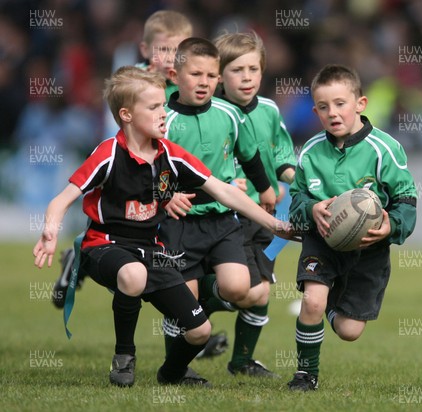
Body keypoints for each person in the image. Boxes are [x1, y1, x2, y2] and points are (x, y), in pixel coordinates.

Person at [33, 66, 291, 387]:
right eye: (154, 107)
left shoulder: (170, 154)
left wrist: (273, 223)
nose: (163, 112)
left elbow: (222, 190)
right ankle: (124, 355)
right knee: (133, 275)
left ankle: (170, 375)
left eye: (163, 105)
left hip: (153, 253)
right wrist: (50, 231)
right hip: (105, 245)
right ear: (126, 115)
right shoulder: (108, 154)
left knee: (200, 331)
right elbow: (61, 199)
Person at [286, 64, 417, 391]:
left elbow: (406, 199)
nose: (333, 113)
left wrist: (391, 227)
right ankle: (306, 374)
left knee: (349, 330)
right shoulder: (311, 152)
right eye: (324, 107)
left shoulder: (384, 149)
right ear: (315, 111)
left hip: (368, 251)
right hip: (322, 242)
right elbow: (297, 199)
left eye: (341, 103)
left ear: (360, 103)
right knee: (311, 302)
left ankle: (329, 304)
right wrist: (311, 208)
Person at [50, 10, 193, 307]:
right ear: (145, 49)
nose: (170, 58)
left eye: (178, 51)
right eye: (164, 49)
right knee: (141, 265)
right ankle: (86, 255)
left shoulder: (191, 86)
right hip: (130, 166)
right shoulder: (133, 83)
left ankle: (190, 325)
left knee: (173, 260)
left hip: (167, 177)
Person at [157, 37, 277, 361]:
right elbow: (150, 167)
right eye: (196, 74)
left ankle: (197, 296)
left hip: (222, 220)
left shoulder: (228, 114)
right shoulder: (163, 119)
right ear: (174, 75)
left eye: (211, 76)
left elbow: (249, 155)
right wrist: (165, 197)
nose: (204, 82)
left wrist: (265, 188)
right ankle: (179, 368)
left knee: (240, 288)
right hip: (178, 224)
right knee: (183, 305)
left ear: (219, 79)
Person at [211, 31, 296, 377]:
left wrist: (300, 179)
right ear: (219, 76)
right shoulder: (213, 112)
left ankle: (242, 362)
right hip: (227, 214)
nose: (247, 78)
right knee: (249, 289)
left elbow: (282, 157)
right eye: (237, 70)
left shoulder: (271, 110)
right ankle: (193, 305)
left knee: (261, 293)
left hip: (264, 215)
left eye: (253, 69)